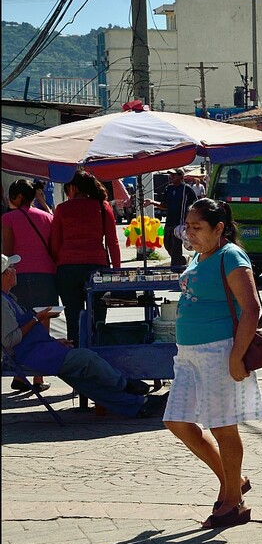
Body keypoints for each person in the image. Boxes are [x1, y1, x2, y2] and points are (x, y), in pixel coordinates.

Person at [162, 198, 262, 529]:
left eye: (197, 227)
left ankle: (233, 500)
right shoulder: (199, 255)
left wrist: (236, 357)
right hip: (189, 353)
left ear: (219, 228)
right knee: (176, 421)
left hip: (218, 351)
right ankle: (233, 481)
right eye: (187, 227)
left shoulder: (231, 255)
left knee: (222, 426)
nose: (189, 234)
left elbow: (251, 309)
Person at [2, 254, 167, 418]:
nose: (16, 270)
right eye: (12, 267)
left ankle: (138, 405)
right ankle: (125, 385)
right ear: (5, 274)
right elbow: (9, 340)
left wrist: (53, 341)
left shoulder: (9, 298)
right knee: (86, 358)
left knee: (83, 380)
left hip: (37, 350)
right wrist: (36, 318)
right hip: (25, 356)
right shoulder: (3, 303)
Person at [50, 171, 121, 344]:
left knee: (73, 316)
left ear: (73, 188)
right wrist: (117, 271)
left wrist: (59, 263)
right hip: (96, 267)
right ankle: (97, 347)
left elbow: (55, 243)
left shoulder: (62, 209)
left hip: (67, 268)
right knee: (98, 312)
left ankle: (76, 353)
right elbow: (113, 242)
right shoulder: (103, 207)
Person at [2, 179, 58, 392]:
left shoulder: (8, 218)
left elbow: (6, 254)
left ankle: (20, 374)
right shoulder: (47, 217)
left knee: (22, 324)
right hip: (46, 274)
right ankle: (38, 378)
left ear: (17, 197)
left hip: (19, 276)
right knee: (43, 324)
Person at [144, 168, 198, 268]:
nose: (171, 177)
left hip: (180, 223)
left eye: (174, 175)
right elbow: (164, 205)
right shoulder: (168, 189)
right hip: (169, 222)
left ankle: (176, 269)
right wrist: (152, 202)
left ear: (181, 176)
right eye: (170, 175)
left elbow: (195, 205)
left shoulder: (187, 189)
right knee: (167, 245)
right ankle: (182, 260)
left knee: (175, 247)